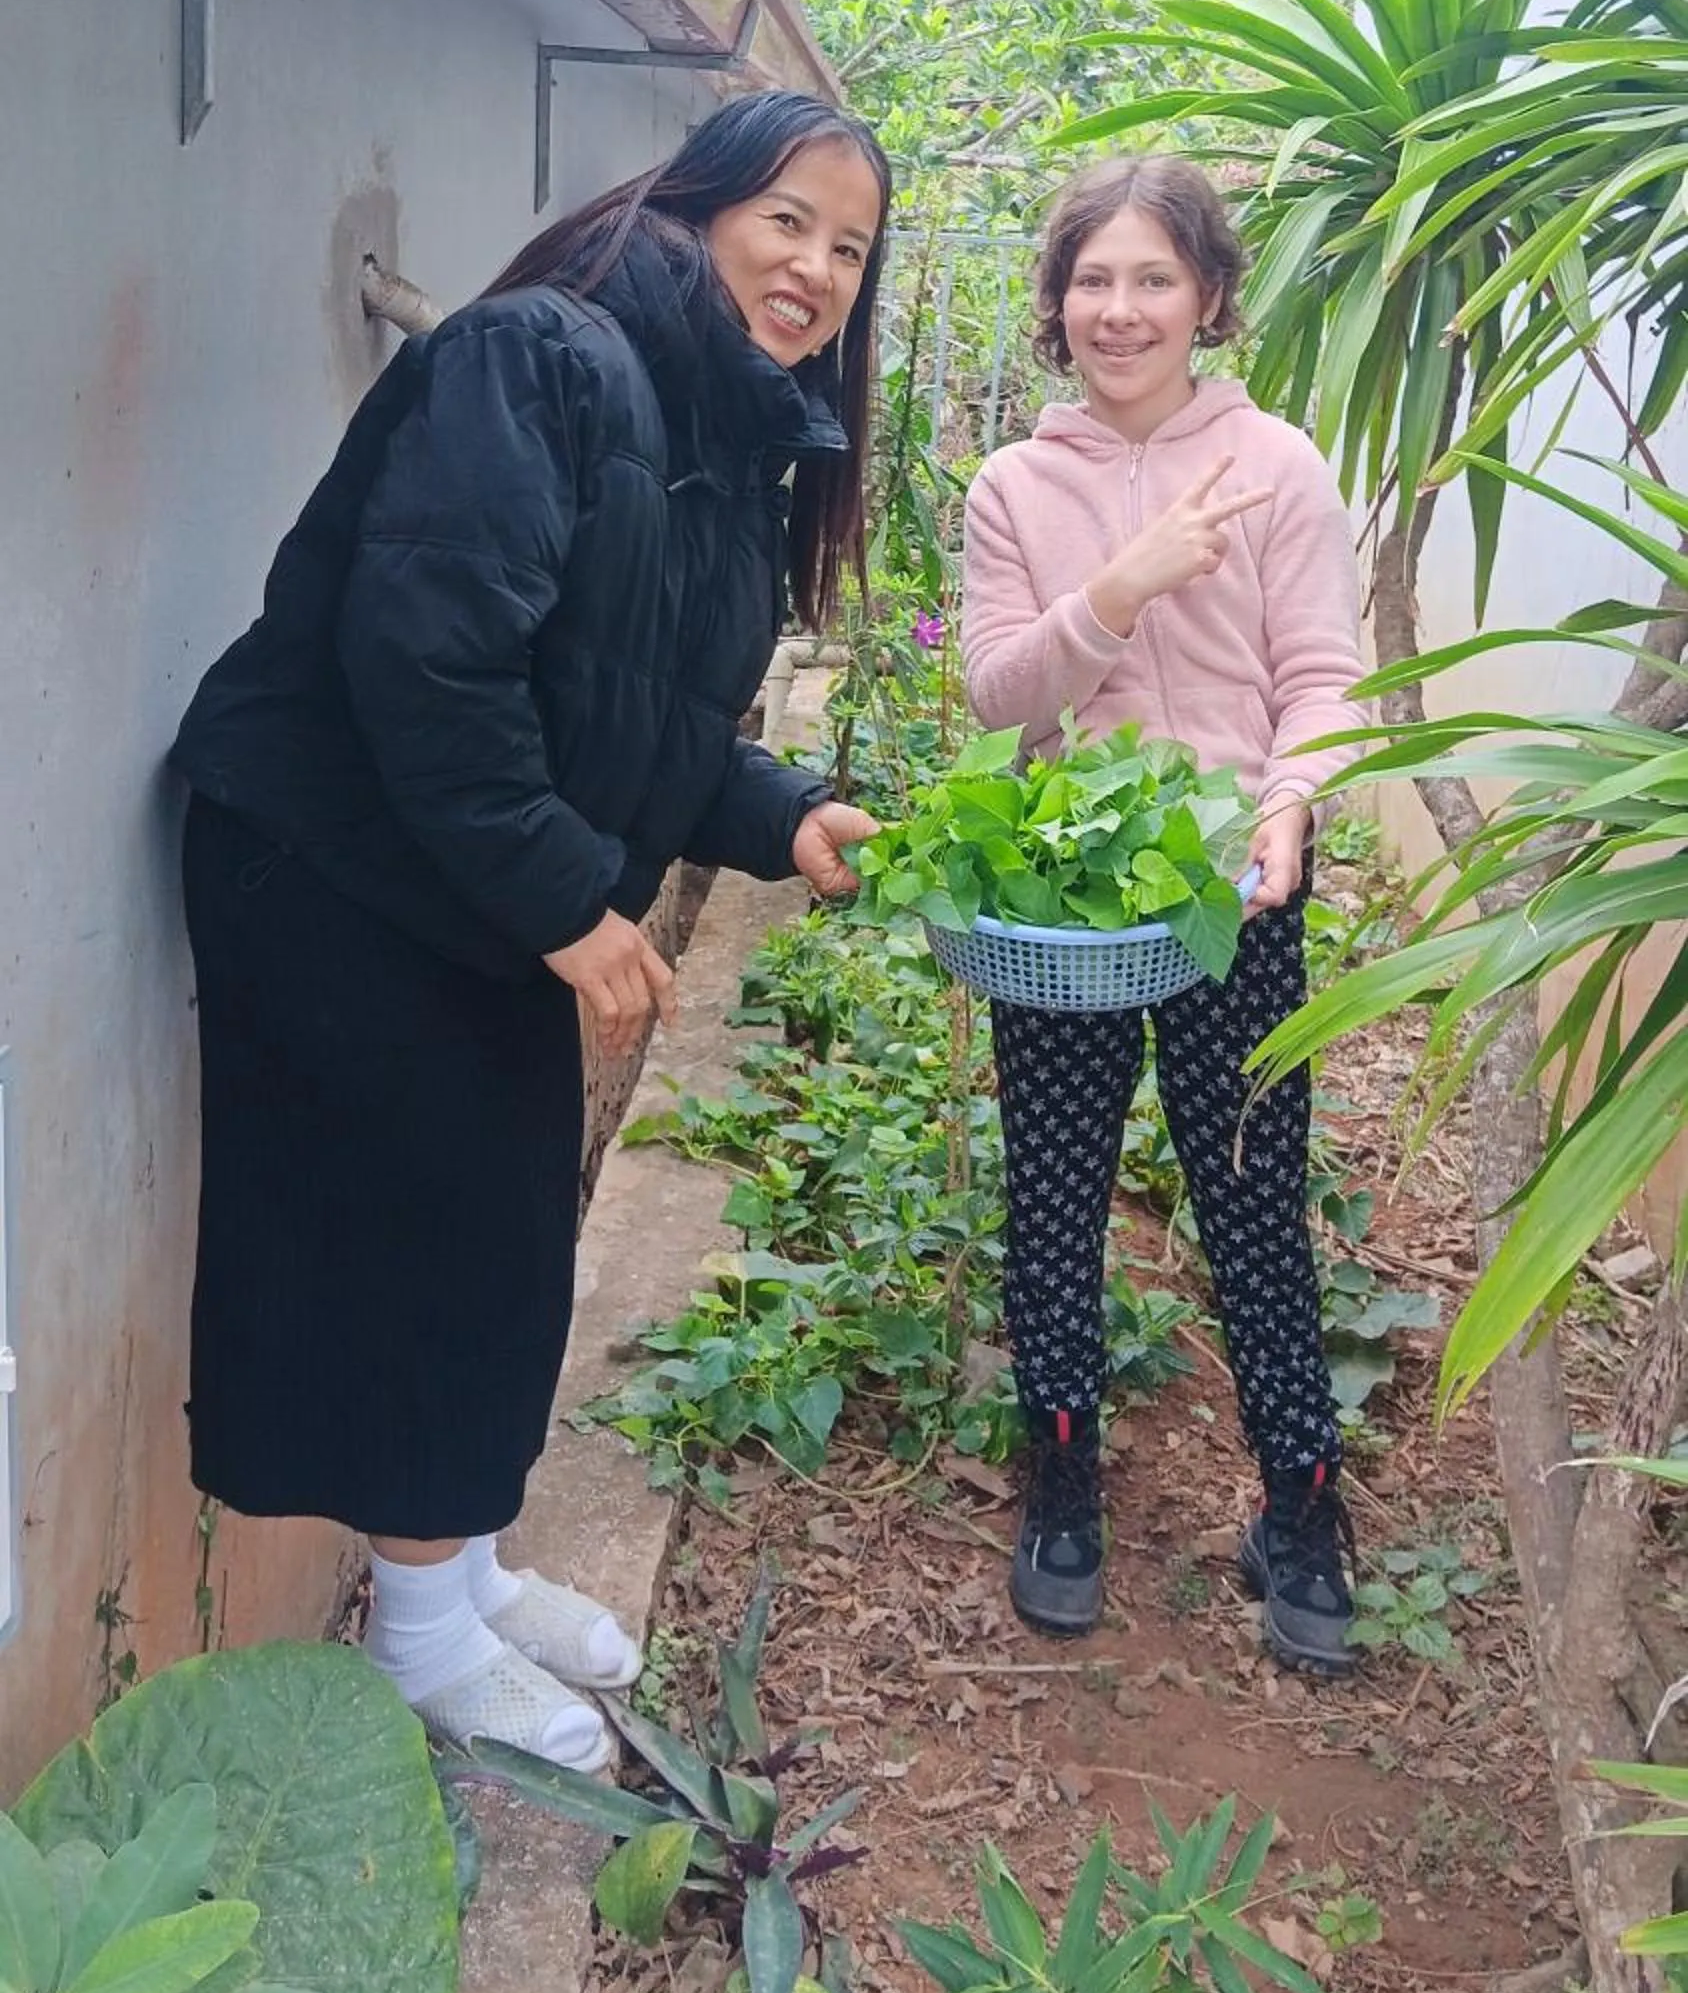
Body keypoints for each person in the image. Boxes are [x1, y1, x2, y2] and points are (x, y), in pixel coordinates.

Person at [171, 93, 887, 1771]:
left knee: (494, 1235)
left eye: (851, 248)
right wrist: (569, 895)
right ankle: (422, 1631)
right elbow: (427, 660)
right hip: (331, 856)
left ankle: (462, 1577)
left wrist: (778, 811)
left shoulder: (724, 441)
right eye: (788, 218)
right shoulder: (539, 360)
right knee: (438, 1234)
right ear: (700, 201)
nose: (817, 269)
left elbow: (643, 715)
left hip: (452, 869)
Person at [961, 154, 1366, 1674]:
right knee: (1055, 1193)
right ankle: (1064, 1475)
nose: (1117, 311)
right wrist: (1117, 587)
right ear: (1057, 305)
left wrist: (1288, 806)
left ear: (1208, 296)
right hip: (1068, 896)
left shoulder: (1278, 467)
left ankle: (1304, 1508)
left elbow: (1321, 679)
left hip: (1236, 900)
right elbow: (1002, 695)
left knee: (1255, 1201)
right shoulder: (1014, 487)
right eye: (1091, 281)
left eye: (1151, 280)